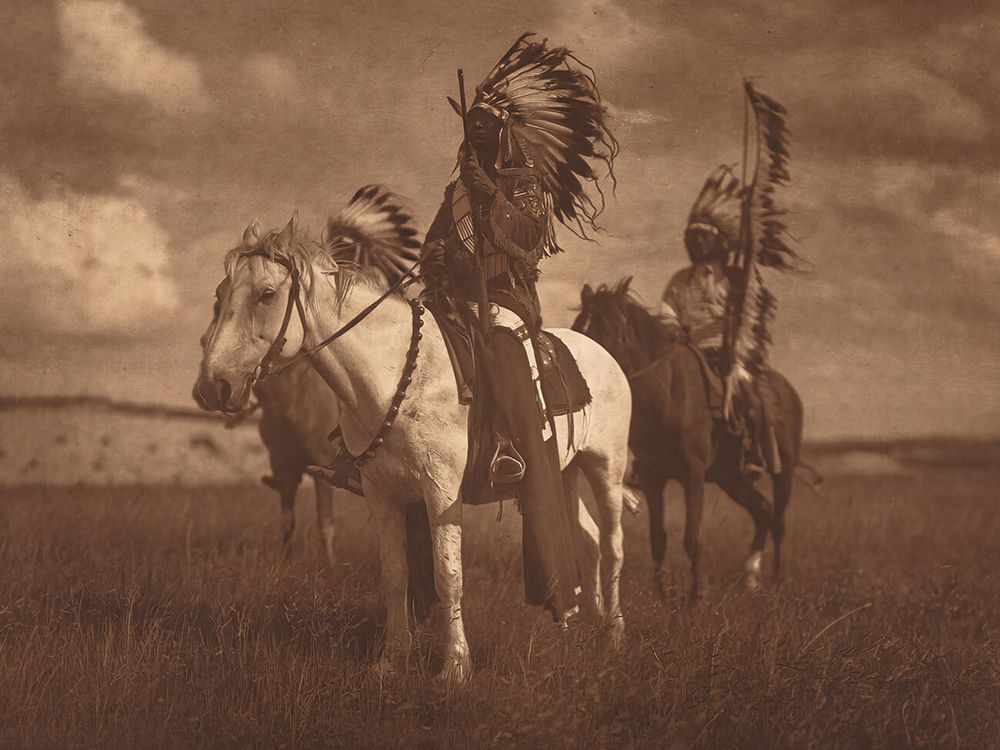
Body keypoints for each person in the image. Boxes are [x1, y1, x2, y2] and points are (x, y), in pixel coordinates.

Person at [420, 33, 617, 622]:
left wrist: (491, 199)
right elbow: (434, 241)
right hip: (453, 299)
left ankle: (511, 448)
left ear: (502, 132)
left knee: (503, 353)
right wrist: (432, 263)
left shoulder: (524, 186)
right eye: (469, 125)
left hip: (506, 301)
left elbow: (526, 246)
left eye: (484, 125)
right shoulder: (456, 190)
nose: (473, 132)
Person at [659, 165, 776, 474]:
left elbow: (751, 318)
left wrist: (736, 348)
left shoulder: (736, 280)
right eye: (692, 236)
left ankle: (751, 452)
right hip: (686, 352)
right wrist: (673, 329)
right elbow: (667, 310)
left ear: (718, 241)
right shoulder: (680, 280)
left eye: (703, 236)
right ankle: (650, 458)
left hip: (727, 355)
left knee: (747, 393)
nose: (696, 242)